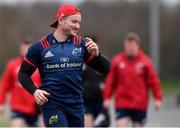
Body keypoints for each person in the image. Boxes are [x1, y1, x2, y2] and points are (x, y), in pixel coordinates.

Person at [18, 4, 109, 127]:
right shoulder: (40, 47)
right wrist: (35, 91)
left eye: (79, 22)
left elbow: (107, 69)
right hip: (52, 104)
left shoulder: (82, 44)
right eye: (74, 22)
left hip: (76, 105)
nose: (77, 26)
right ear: (60, 20)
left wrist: (97, 55)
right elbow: (23, 74)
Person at [103, 32, 163, 127]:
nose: (129, 48)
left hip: (139, 103)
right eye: (127, 45)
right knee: (120, 125)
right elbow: (111, 81)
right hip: (122, 102)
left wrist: (158, 98)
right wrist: (107, 98)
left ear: (137, 45)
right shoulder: (117, 61)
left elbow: (154, 81)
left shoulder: (146, 62)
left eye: (132, 45)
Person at [0, 40, 41, 127]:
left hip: (33, 107)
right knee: (16, 125)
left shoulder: (39, 67)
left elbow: (44, 86)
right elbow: (5, 84)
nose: (25, 50)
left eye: (28, 48)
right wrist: (1, 102)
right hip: (17, 105)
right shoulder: (12, 64)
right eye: (23, 48)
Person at [82, 36, 110, 127]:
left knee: (102, 124)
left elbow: (111, 78)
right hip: (85, 100)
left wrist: (106, 90)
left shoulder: (101, 62)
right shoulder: (79, 62)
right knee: (87, 124)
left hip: (100, 100)